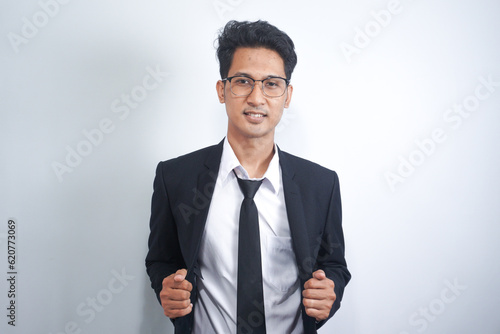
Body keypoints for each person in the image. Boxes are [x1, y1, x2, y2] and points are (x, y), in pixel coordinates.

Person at [145, 20, 350, 334]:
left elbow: (333, 265)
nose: (257, 98)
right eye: (243, 81)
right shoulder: (175, 178)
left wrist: (330, 293)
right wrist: (166, 287)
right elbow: (161, 260)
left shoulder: (320, 185)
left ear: (287, 94)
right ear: (222, 90)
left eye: (271, 83)